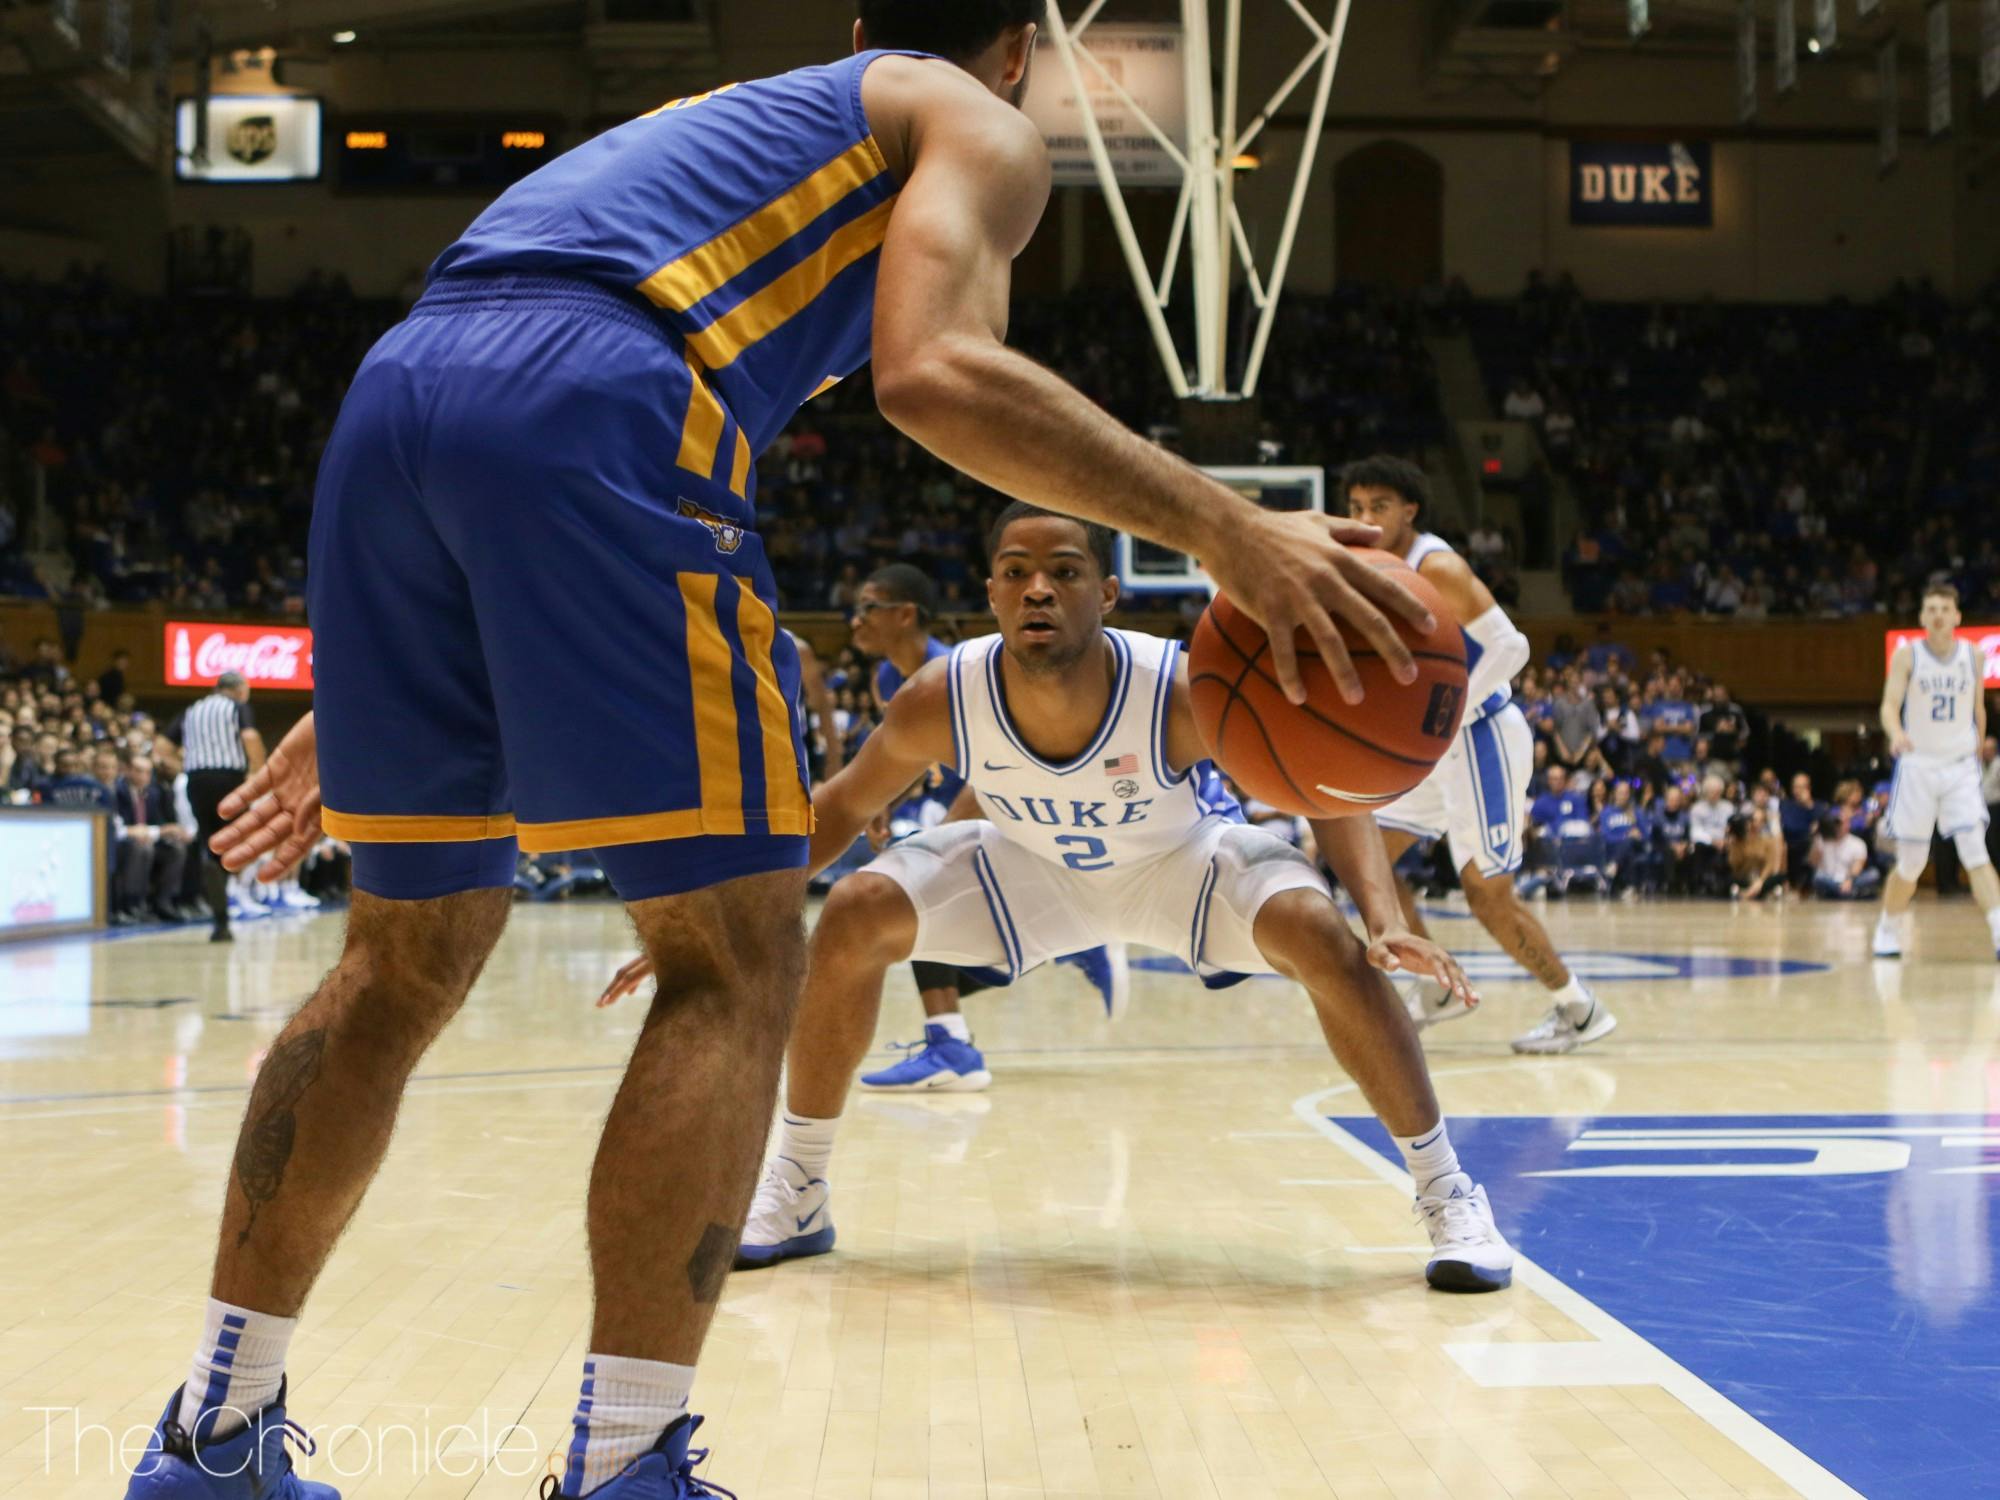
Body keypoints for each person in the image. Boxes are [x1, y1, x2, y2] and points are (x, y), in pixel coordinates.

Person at [148, 10, 1440, 1500]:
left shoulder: (734, 119)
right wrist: (1227, 525)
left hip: (401, 397)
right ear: (1017, 46)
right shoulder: (977, 117)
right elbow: (934, 372)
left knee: (397, 959)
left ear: (856, 25)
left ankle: (212, 1442)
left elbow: (493, 362)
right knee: (737, 957)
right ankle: (627, 1464)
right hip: (604, 401)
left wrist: (433, 651)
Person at [604, 504, 1512, 1292]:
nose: (1039, 589)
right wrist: (722, 919)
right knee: (855, 911)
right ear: (992, 595)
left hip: (1180, 865)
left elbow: (1319, 781)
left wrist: (1385, 921)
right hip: (1031, 871)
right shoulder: (942, 694)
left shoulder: (1181, 687)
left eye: (1065, 573)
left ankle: (1445, 1193)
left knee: (1320, 931)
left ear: (1105, 595)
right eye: (1017, 574)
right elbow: (839, 807)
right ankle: (799, 1186)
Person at [1331, 456, 1616, 1054]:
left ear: (1410, 509)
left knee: (1487, 895)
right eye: (1356, 507)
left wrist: (1444, 714)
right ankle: (1433, 989)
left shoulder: (1437, 565)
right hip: (1433, 744)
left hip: (1479, 734)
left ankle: (1578, 1009)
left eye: (1378, 506)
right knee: (1368, 864)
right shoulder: (1363, 561)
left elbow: (1511, 647)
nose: (1365, 517)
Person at [849, 560, 1126, 1091]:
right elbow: (908, 754)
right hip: (961, 812)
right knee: (937, 949)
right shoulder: (889, 675)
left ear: (905, 615)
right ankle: (1065, 943)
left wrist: (937, 844)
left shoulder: (954, 672)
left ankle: (952, 1045)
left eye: (867, 607)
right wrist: (884, 795)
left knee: (911, 886)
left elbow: (1003, 766)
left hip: (1014, 808)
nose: (855, 619)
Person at [1872, 584, 2000, 960]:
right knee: (1911, 863)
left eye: (1946, 608)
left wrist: (1978, 747)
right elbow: (1889, 704)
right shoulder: (1907, 656)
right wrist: (1895, 734)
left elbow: (1977, 708)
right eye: (1932, 608)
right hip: (1918, 765)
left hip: (1959, 765)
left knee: (1976, 853)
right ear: (1923, 617)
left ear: (1957, 616)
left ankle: (1998, 930)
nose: (1939, 614)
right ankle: (1887, 927)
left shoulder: (1973, 655)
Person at [158, 671, 265, 942]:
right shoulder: (238, 707)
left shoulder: (190, 710)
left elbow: (160, 748)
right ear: (240, 690)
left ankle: (221, 922)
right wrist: (258, 774)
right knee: (238, 841)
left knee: (212, 845)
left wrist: (186, 765)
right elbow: (250, 738)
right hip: (229, 780)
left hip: (197, 781)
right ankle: (234, 896)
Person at [114, 754, 195, 923]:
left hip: (147, 840)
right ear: (127, 771)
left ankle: (164, 901)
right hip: (121, 844)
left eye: (147, 772)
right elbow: (119, 828)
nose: (143, 776)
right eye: (138, 771)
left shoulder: (154, 793)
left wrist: (170, 831)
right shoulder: (117, 791)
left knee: (176, 849)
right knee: (142, 848)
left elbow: (158, 824)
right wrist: (154, 832)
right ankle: (133, 902)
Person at [1811, 814, 1880, 900]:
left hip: (1850, 880)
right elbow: (1813, 863)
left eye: (1841, 823)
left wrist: (1849, 881)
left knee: (1873, 874)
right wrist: (1816, 836)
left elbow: (1857, 867)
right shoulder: (1821, 841)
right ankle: (1848, 894)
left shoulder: (1857, 843)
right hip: (1829, 879)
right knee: (1818, 877)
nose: (1838, 827)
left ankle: (1837, 894)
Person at [1724, 811, 1785, 901]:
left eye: (1760, 821)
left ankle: (1746, 894)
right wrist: (1734, 846)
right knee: (1729, 880)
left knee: (1780, 877)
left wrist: (1760, 880)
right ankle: (1759, 892)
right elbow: (1734, 866)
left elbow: (1769, 864)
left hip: (1761, 878)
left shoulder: (1767, 841)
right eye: (1754, 821)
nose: (1756, 824)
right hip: (1744, 877)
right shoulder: (1739, 842)